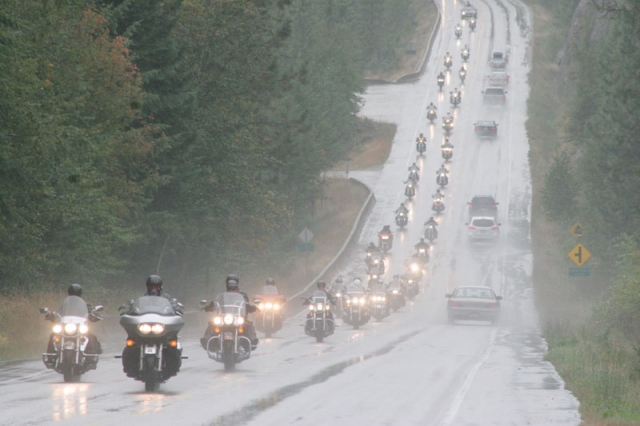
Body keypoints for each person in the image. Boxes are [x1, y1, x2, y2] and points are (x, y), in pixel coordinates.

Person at [44, 284, 102, 359]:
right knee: (53, 335)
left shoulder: (84, 304)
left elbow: (90, 312)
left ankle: (91, 357)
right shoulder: (65, 303)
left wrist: (93, 315)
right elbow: (59, 313)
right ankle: (50, 357)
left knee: (90, 336)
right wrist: (51, 315)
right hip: (65, 326)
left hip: (79, 326)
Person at [201, 275, 259, 349]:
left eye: (233, 287)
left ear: (237, 285)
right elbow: (215, 304)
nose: (231, 289)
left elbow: (246, 305)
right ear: (227, 286)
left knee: (248, 325)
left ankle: (252, 341)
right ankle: (206, 341)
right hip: (223, 318)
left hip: (239, 318)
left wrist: (253, 307)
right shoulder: (222, 296)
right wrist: (207, 307)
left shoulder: (242, 295)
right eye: (229, 287)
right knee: (212, 325)